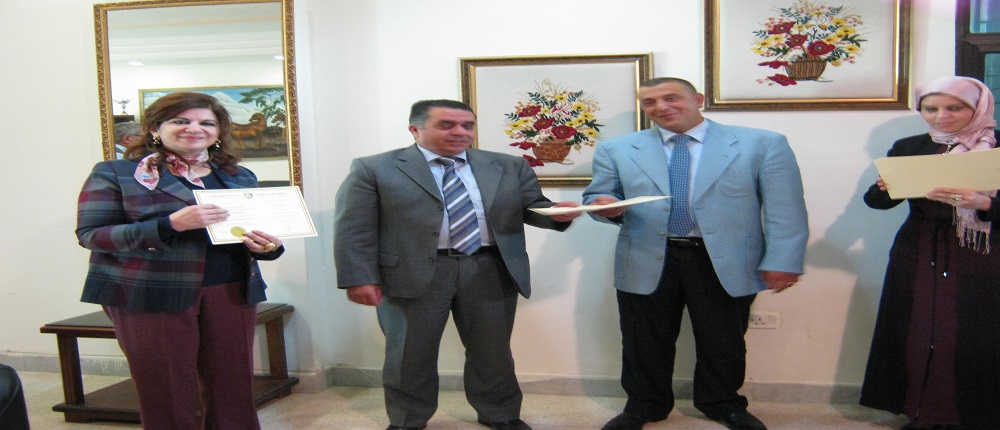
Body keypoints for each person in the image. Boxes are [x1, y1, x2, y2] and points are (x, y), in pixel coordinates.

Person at [334, 99, 581, 430]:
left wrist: (558, 214)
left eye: (468, 125)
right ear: (415, 129)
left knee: (492, 352)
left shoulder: (508, 165)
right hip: (411, 273)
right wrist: (359, 277)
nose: (460, 132)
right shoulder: (374, 168)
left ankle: (501, 414)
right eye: (446, 125)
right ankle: (407, 419)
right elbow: (354, 228)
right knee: (409, 354)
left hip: (489, 269)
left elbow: (533, 207)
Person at [582, 77, 808, 430]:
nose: (661, 107)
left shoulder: (762, 143)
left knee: (723, 341)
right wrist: (605, 205)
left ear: (698, 99)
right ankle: (644, 405)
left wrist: (782, 260)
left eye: (672, 98)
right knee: (643, 340)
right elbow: (599, 196)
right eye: (649, 102)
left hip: (725, 259)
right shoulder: (618, 148)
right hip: (647, 254)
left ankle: (722, 403)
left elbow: (786, 208)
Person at [76, 92, 285, 430]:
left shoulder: (239, 175)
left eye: (206, 122)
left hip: (232, 289)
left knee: (233, 385)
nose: (195, 128)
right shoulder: (117, 173)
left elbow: (249, 233)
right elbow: (92, 234)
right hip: (152, 293)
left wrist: (267, 247)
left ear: (219, 131)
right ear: (155, 128)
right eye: (181, 121)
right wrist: (169, 225)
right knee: (167, 389)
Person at [859, 76, 1000, 429]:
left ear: (977, 107)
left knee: (975, 333)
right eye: (930, 108)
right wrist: (886, 187)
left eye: (955, 108)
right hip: (920, 249)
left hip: (983, 251)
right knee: (919, 327)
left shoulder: (996, 146)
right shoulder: (910, 146)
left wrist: (984, 203)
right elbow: (876, 202)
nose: (941, 116)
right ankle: (923, 413)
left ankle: (976, 416)